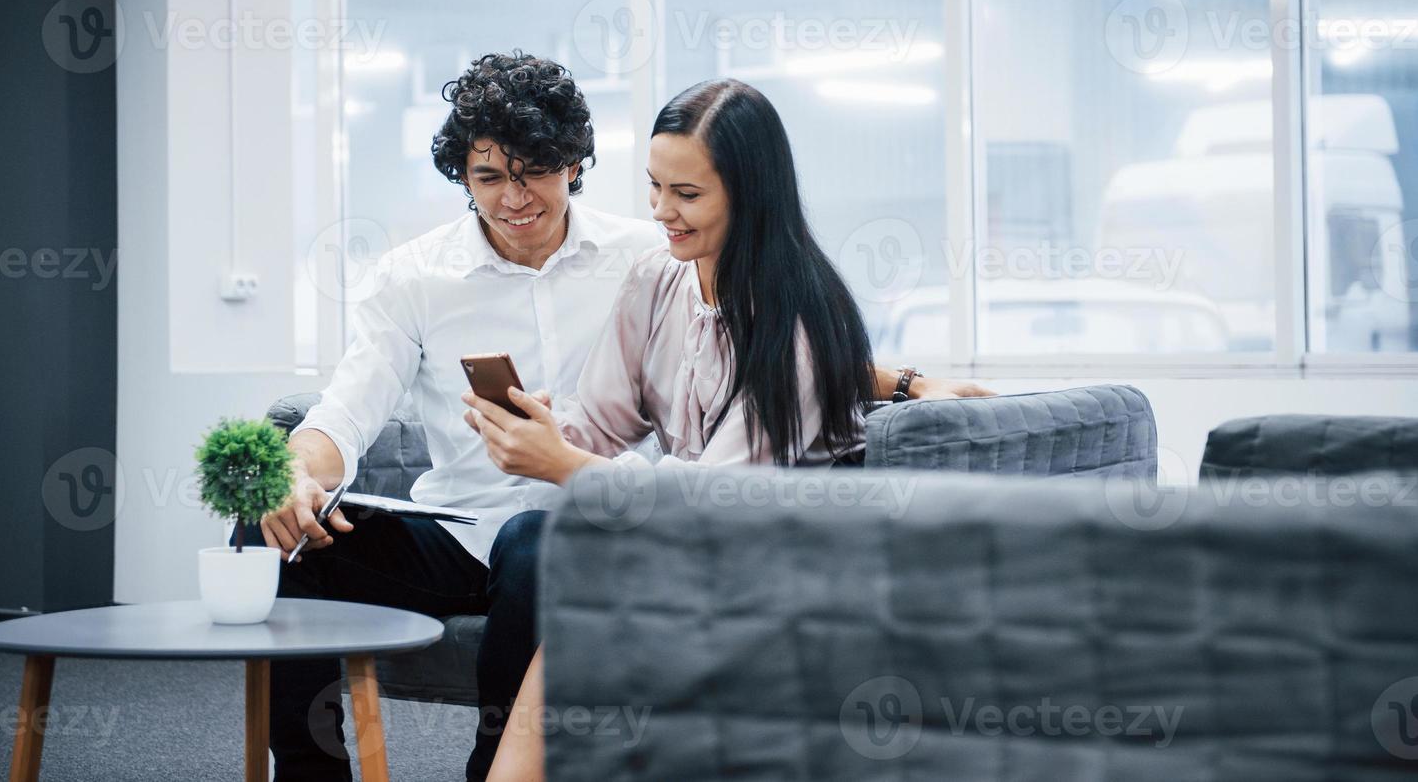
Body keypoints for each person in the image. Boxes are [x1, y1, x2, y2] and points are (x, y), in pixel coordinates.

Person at [244, 56, 988, 782]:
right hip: (477, 532)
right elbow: (350, 410)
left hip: (615, 534)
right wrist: (296, 472)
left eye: (533, 171)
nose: (513, 199)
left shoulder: (653, 254)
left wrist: (902, 382)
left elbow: (775, 368)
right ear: (462, 179)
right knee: (264, 528)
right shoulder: (627, 267)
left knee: (540, 539)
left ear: (573, 163)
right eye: (488, 178)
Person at [461, 78, 968, 779]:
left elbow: (718, 500)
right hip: (687, 536)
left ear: (750, 192)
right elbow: (602, 424)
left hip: (783, 555)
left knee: (556, 546)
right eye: (654, 187)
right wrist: (547, 431)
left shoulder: (797, 313)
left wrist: (560, 467)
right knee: (551, 546)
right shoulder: (654, 281)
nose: (661, 211)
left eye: (687, 195)